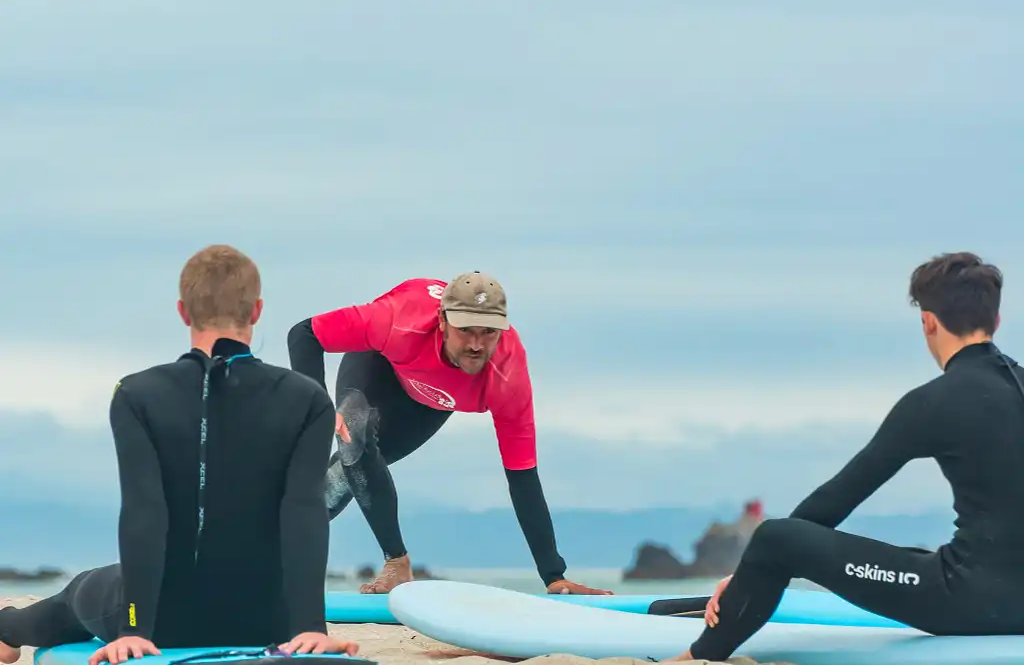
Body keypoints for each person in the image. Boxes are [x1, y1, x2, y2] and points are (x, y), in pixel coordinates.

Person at [0, 245, 359, 665]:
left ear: (183, 312)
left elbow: (144, 510)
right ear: (257, 310)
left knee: (82, 592)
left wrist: (134, 629)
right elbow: (303, 511)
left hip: (162, 622)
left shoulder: (138, 394)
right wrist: (311, 629)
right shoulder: (309, 400)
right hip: (269, 622)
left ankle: (8, 627)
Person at [667, 251, 1024, 663]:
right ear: (995, 322)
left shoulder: (932, 403)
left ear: (927, 322)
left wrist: (755, 568)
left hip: (973, 601)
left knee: (775, 537)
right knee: (918, 554)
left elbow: (838, 498)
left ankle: (698, 657)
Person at [287, 272, 610, 596]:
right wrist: (317, 414)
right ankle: (395, 561)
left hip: (429, 403)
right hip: (378, 365)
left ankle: (272, 545)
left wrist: (554, 575)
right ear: (442, 320)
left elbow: (522, 477)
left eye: (488, 333)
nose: (475, 345)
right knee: (351, 436)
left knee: (346, 471)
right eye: (465, 331)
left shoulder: (507, 377)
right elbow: (303, 334)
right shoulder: (399, 319)